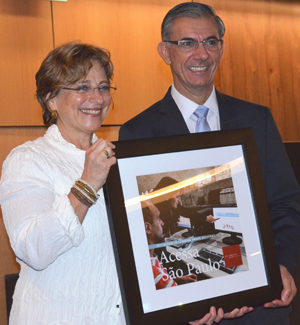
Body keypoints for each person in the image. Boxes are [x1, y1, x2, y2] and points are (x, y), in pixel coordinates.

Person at [119, 2, 300, 324]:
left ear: (221, 47)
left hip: (262, 304)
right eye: (187, 43)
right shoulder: (137, 131)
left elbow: (286, 204)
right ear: (165, 51)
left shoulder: (257, 119)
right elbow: (141, 235)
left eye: (211, 42)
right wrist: (181, 295)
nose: (201, 54)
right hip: (191, 307)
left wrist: (278, 265)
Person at [0, 42, 125, 324]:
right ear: (51, 100)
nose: (97, 97)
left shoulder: (118, 157)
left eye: (103, 87)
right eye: (82, 87)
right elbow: (34, 250)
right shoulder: (27, 160)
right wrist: (86, 187)